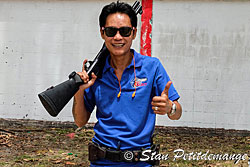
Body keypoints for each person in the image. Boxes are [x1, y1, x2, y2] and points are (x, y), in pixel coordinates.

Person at [72, 1, 182, 166]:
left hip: (142, 161)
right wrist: (78, 90)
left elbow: (177, 113)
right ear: (102, 33)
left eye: (124, 31)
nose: (118, 37)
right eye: (111, 31)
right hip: (102, 161)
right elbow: (80, 122)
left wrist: (170, 108)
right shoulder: (95, 73)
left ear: (134, 33)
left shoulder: (152, 67)